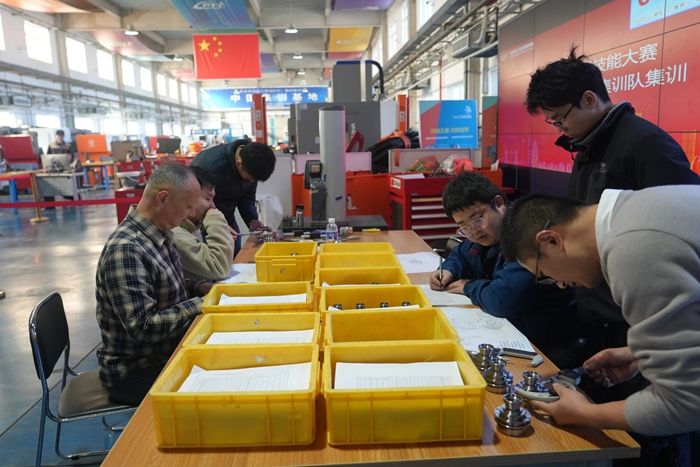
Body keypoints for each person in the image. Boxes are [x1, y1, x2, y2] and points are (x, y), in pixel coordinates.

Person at [525, 46, 699, 465]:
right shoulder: (587, 147)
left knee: (658, 437)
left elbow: (672, 246)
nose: (559, 128)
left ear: (589, 99)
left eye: (560, 118)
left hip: (645, 314)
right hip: (613, 319)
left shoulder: (644, 145)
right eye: (551, 122)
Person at [499, 187, 700, 449]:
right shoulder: (636, 208)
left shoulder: (631, 249)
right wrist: (638, 353)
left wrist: (585, 414)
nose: (560, 284)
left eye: (545, 273)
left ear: (551, 240)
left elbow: (686, 403)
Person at [429, 172, 584, 369]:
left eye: (478, 219)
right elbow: (461, 254)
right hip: (514, 333)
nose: (474, 231)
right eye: (464, 227)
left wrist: (468, 286)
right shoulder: (484, 235)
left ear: (499, 203)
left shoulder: (525, 235)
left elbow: (503, 300)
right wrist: (448, 271)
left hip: (552, 344)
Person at [95, 162, 213, 405]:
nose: (192, 213)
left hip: (163, 352)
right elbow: (143, 327)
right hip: (135, 371)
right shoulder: (127, 249)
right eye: (188, 205)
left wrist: (201, 288)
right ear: (163, 199)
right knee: (217, 387)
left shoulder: (161, 232)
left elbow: (165, 285)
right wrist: (201, 303)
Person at [191, 139, 276, 255]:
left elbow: (247, 197)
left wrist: (252, 219)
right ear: (238, 163)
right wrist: (217, 225)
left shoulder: (251, 165)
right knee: (214, 257)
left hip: (227, 215)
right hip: (203, 219)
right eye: (250, 178)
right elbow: (196, 202)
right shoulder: (208, 165)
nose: (252, 181)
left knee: (235, 249)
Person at [173, 166, 236, 281]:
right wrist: (215, 218)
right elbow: (220, 269)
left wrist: (220, 231)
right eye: (208, 199)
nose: (213, 206)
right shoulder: (176, 235)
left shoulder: (192, 226)